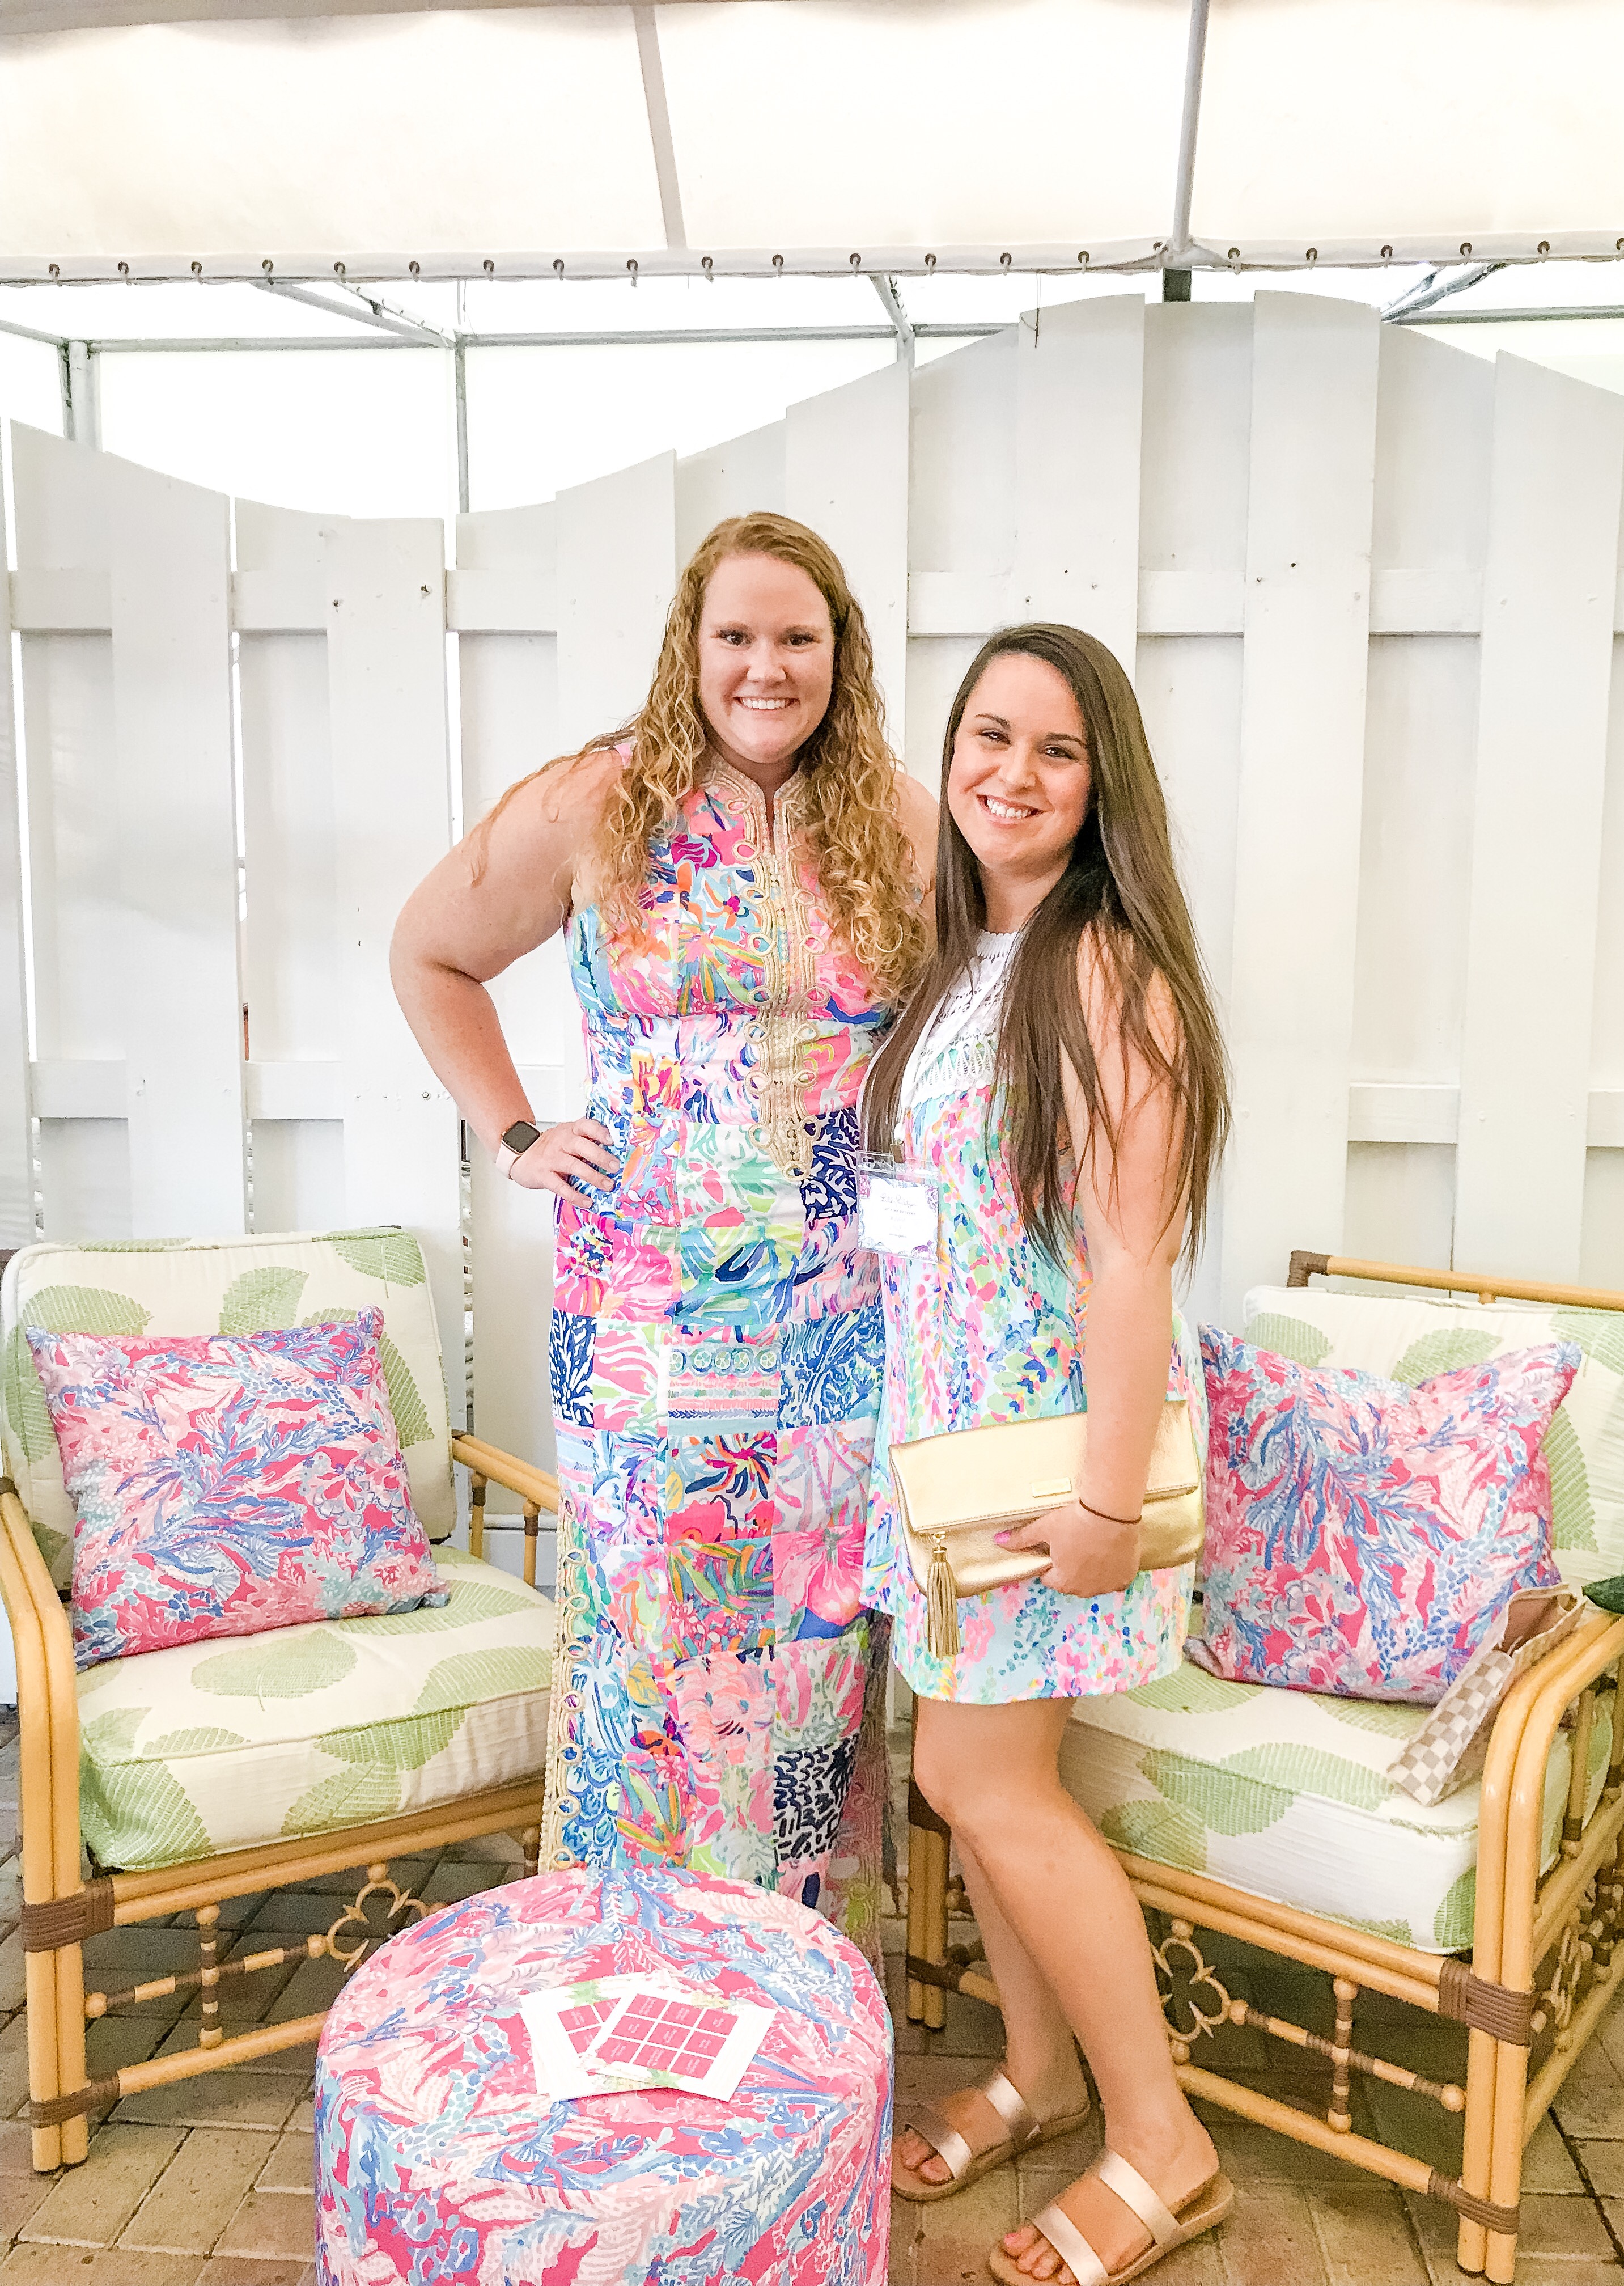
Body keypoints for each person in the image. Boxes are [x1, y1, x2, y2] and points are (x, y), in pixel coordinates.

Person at [392, 512, 937, 1954]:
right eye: (737, 635)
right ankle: (634, 1956)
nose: (768, 666)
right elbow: (431, 953)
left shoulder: (897, 815)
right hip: (642, 1318)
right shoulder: (597, 797)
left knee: (812, 1648)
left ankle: (799, 1967)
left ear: (841, 653)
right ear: (689, 647)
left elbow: (979, 1012)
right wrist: (519, 1133)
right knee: (649, 1643)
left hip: (836, 1319)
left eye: (798, 637)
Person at [862, 625, 1233, 2285]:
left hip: (1046, 1467)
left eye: (1057, 750)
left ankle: (1166, 2144)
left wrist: (1104, 1501)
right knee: (970, 1782)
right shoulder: (970, 959)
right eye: (989, 736)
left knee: (986, 1785)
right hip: (950, 1460)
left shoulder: (1106, 972)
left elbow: (1132, 1263)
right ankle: (1040, 2072)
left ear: (1103, 787)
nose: (1012, 773)